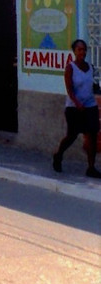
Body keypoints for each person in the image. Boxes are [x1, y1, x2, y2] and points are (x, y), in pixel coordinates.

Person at [52, 39, 100, 179]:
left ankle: (91, 167)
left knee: (92, 136)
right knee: (72, 135)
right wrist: (77, 103)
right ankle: (58, 155)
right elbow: (69, 89)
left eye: (84, 49)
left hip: (90, 106)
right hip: (74, 108)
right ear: (74, 51)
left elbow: (93, 85)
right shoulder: (70, 68)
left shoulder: (90, 67)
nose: (82, 52)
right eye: (79, 49)